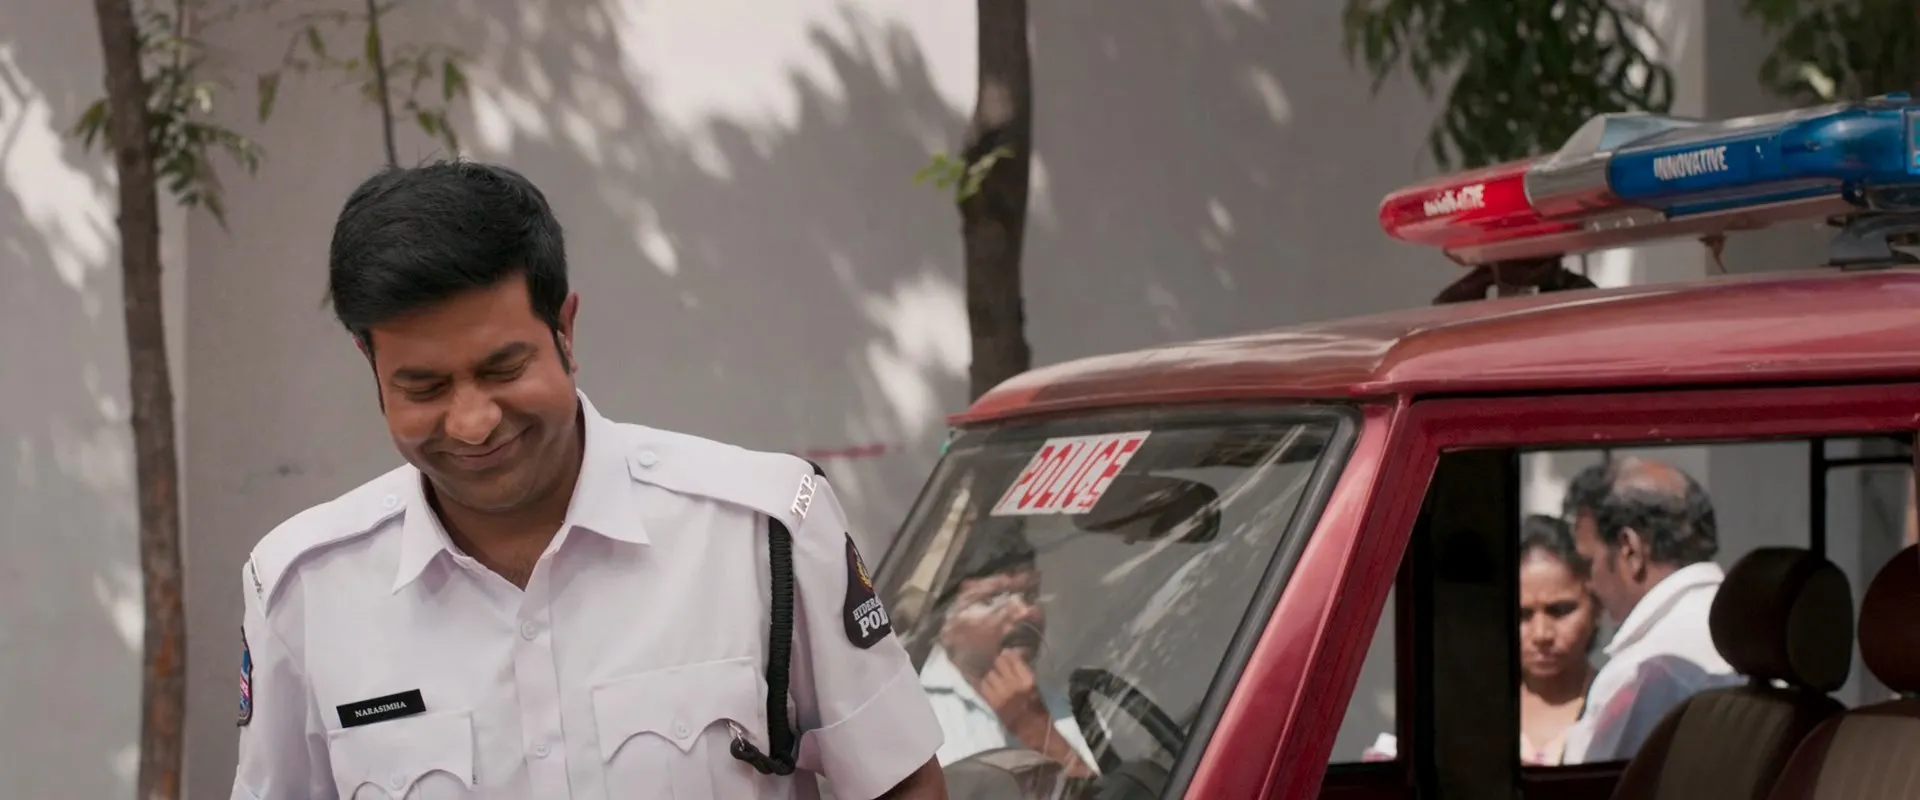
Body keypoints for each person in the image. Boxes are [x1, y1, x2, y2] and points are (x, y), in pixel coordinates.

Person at [230, 160, 946, 800]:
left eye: (504, 369)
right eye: (424, 387)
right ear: (371, 364)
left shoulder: (763, 531)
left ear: (565, 330)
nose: (473, 423)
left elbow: (899, 780)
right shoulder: (303, 590)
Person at [1557, 457, 1736, 765]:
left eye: (1589, 564)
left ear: (1630, 549)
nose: (1588, 584)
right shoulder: (1748, 632)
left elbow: (1592, 785)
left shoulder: (1640, 675)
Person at [917, 531, 1096, 776]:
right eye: (991, 600)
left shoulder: (1066, 705)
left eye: (1030, 595)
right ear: (945, 625)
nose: (1024, 612)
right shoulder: (908, 710)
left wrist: (1038, 729)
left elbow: (1102, 790)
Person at [1516, 514, 1599, 766]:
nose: (1542, 634)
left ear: (1596, 607)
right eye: (1522, 615)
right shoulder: (1474, 711)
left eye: (1560, 610)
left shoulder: (1615, 706)